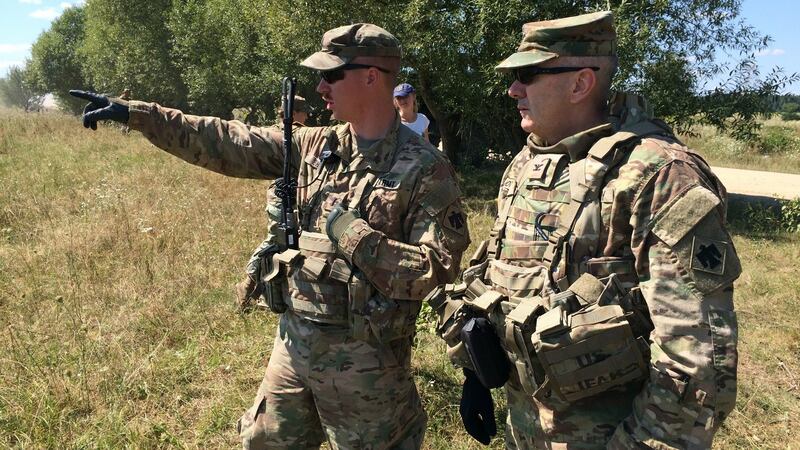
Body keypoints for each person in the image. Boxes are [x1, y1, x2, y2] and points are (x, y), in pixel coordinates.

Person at [70, 22, 470, 449]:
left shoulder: (425, 168)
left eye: (331, 75)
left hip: (368, 367)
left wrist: (353, 236)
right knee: (264, 442)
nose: (320, 87)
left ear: (372, 77)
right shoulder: (314, 145)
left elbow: (436, 270)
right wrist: (139, 115)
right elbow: (228, 139)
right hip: (293, 349)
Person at [429, 11, 740, 449]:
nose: (513, 89)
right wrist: (477, 374)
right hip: (527, 423)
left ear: (580, 83)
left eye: (528, 74)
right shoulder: (529, 162)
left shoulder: (659, 175)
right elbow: (505, 286)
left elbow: (700, 362)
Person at [235, 94, 310, 311]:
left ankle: (271, 294)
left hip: (292, 195)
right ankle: (247, 287)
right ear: (293, 112)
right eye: (304, 111)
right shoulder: (286, 133)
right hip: (281, 196)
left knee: (288, 243)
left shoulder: (275, 132)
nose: (306, 116)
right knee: (276, 243)